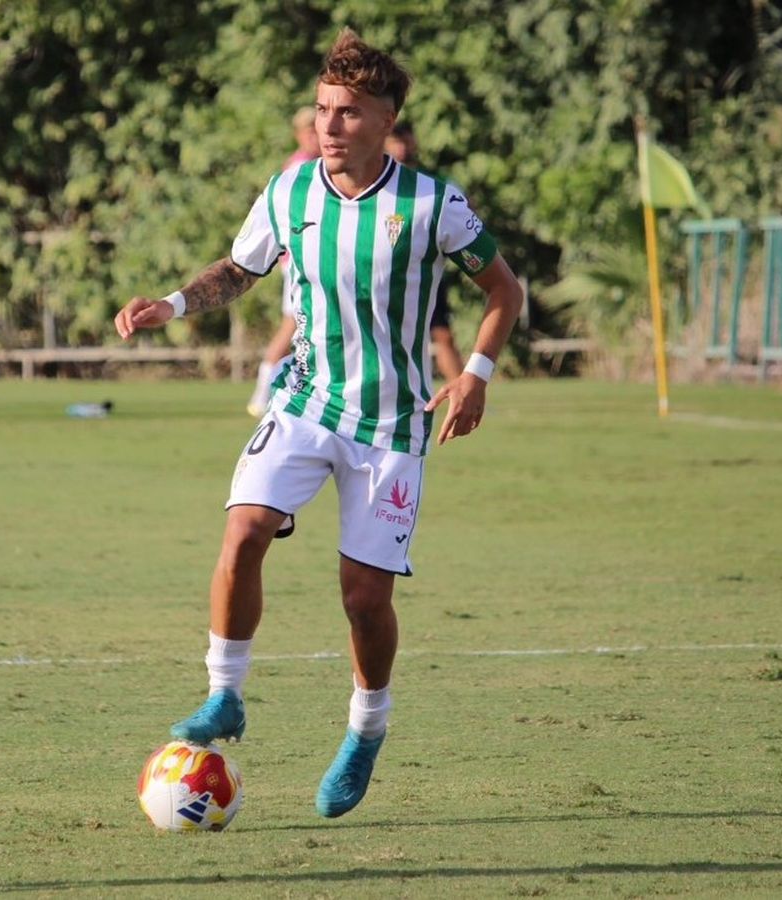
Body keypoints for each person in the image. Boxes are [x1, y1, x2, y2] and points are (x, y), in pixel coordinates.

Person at [115, 29, 523, 818]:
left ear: (385, 120)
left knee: (364, 599)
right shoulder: (291, 191)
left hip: (391, 426)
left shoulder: (432, 205)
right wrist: (172, 303)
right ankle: (225, 693)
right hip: (305, 402)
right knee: (244, 530)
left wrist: (475, 374)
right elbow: (240, 269)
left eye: (349, 112)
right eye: (323, 109)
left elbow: (505, 292)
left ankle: (366, 730)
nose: (330, 125)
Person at [247, 108, 320, 417]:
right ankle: (261, 395)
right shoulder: (302, 167)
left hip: (303, 261)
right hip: (299, 263)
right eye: (309, 131)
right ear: (298, 135)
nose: (315, 136)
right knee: (294, 325)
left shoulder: (313, 163)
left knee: (298, 325)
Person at [384, 122, 464, 382]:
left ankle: (461, 391)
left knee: (442, 335)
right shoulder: (375, 185)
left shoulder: (434, 182)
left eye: (404, 140)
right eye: (395, 141)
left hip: (425, 273)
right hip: (385, 275)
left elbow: (465, 218)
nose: (400, 147)